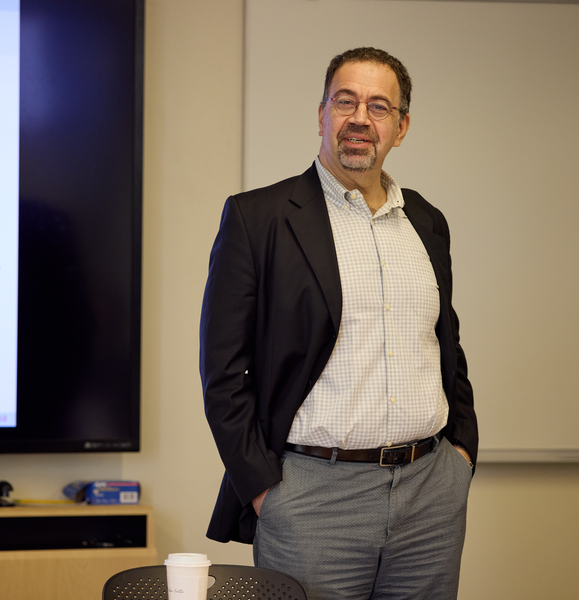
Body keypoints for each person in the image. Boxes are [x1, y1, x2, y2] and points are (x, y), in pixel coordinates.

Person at [199, 47, 478, 600]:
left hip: (431, 494)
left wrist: (462, 455)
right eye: (345, 101)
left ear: (400, 128)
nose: (359, 118)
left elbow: (445, 344)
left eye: (379, 106)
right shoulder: (259, 218)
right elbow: (222, 372)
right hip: (312, 496)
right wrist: (263, 488)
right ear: (322, 114)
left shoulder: (425, 221)